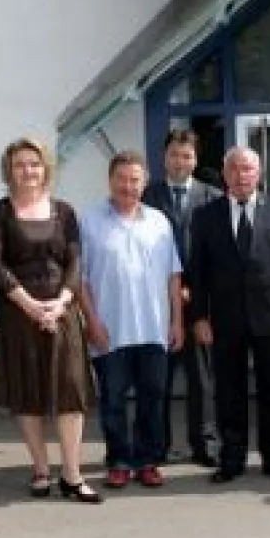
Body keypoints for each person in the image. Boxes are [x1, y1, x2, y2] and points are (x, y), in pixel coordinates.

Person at [0, 138, 101, 503]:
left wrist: (61, 303)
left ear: (45, 168)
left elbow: (75, 263)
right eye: (19, 164)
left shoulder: (64, 212)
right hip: (19, 313)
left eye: (33, 163)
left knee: (70, 392)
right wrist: (32, 306)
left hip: (62, 314)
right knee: (28, 393)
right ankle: (39, 469)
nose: (27, 171)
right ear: (9, 170)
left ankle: (71, 474)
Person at [189, 147, 270, 483]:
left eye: (248, 169)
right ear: (225, 175)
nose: (241, 176)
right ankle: (232, 456)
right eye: (235, 169)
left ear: (259, 173)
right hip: (225, 319)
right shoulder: (205, 215)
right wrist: (199, 316)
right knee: (229, 391)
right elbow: (196, 271)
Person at [79, 150, 185, 489]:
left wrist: (177, 322)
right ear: (110, 181)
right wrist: (91, 321)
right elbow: (79, 279)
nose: (128, 186)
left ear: (145, 182)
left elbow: (173, 276)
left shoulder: (159, 221)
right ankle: (119, 460)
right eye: (122, 179)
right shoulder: (89, 221)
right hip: (110, 329)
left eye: (135, 179)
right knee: (113, 400)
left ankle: (148, 460)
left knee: (153, 398)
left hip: (154, 328)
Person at [141, 129, 222, 467]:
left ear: (196, 159)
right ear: (164, 158)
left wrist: (196, 289)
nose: (180, 162)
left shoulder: (214, 197)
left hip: (200, 302)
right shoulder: (146, 196)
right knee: (157, 378)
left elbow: (217, 254)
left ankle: (204, 445)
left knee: (202, 379)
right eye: (175, 155)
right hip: (158, 302)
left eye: (187, 156)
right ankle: (156, 446)